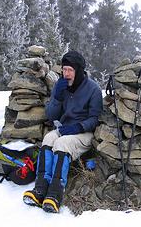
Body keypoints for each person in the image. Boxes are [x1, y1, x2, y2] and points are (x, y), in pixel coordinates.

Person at [23, 50, 103, 213]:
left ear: (79, 71)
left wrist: (78, 127)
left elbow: (95, 118)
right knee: (48, 138)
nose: (66, 74)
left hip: (84, 132)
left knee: (61, 143)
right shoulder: (62, 85)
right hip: (64, 128)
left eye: (70, 70)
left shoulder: (93, 89)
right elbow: (51, 115)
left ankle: (55, 194)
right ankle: (40, 189)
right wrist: (57, 97)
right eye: (64, 69)